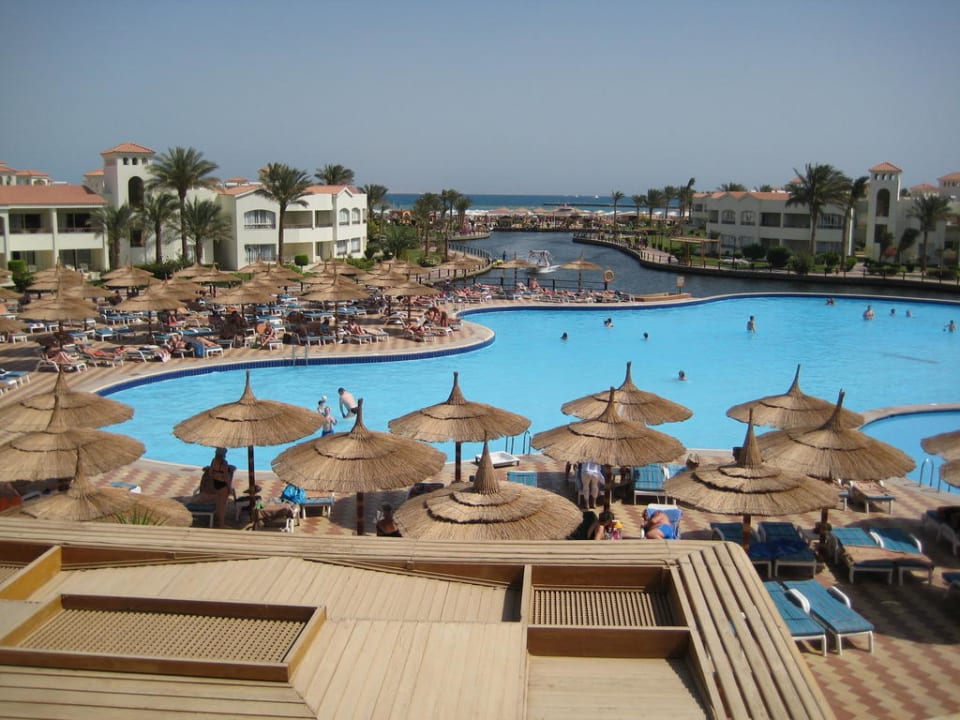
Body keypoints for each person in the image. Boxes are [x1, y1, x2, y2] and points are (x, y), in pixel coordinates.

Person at [208, 447, 235, 529]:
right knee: (222, 505)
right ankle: (221, 524)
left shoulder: (213, 460)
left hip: (216, 483)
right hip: (223, 484)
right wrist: (229, 488)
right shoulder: (224, 463)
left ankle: (217, 520)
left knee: (218, 503)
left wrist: (217, 476)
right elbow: (226, 477)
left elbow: (210, 473)